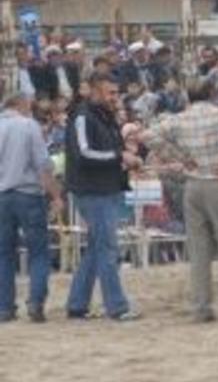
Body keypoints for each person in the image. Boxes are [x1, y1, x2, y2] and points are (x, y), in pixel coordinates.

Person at [142, 81, 218, 323]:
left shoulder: (179, 118)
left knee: (199, 252)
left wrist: (180, 157)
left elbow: (148, 136)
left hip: (193, 185)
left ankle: (201, 308)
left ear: (189, 97)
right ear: (214, 94)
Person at [65, 74, 142, 321]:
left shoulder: (105, 117)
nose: (115, 98)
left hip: (106, 188)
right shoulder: (82, 116)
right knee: (108, 248)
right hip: (92, 191)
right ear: (94, 92)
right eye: (110, 93)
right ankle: (117, 307)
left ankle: (77, 304)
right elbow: (84, 154)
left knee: (97, 248)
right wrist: (119, 157)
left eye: (116, 93)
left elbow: (110, 153)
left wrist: (125, 161)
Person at [0, 93, 64, 323]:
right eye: (29, 104)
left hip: (2, 196)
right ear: (19, 104)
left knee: (4, 254)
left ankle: (4, 307)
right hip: (28, 194)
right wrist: (56, 195)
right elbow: (43, 165)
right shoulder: (28, 125)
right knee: (38, 252)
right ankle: (36, 303)